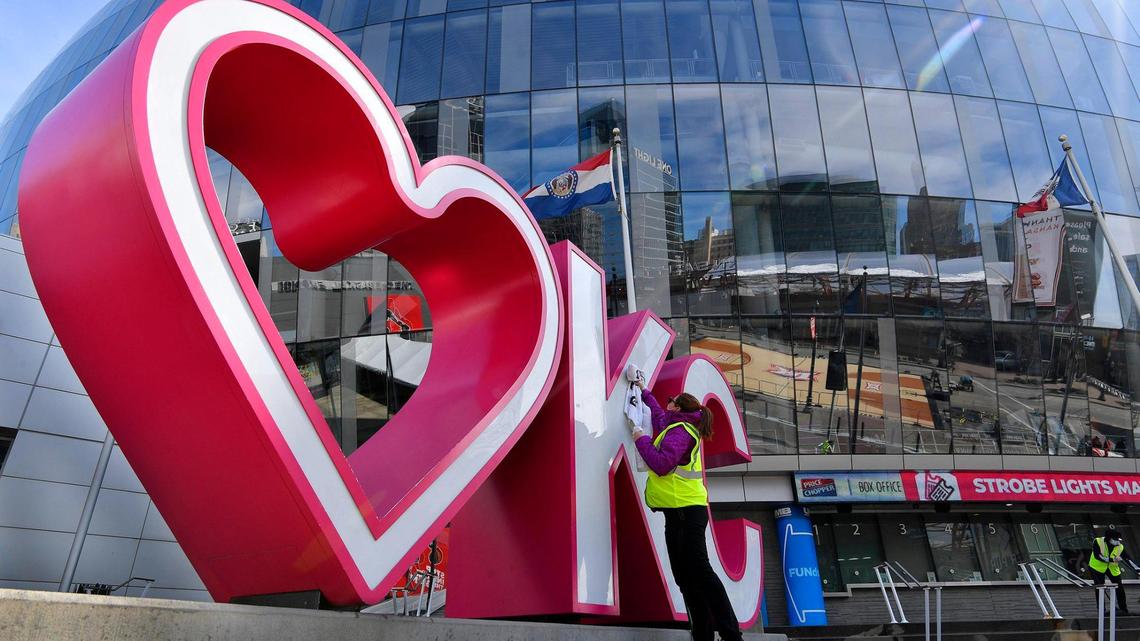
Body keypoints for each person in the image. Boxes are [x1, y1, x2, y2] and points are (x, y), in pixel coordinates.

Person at [630, 381, 743, 641]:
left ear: (677, 406)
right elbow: (657, 413)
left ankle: (730, 634)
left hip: (687, 513)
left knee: (700, 573)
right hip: (678, 514)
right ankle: (703, 635)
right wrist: (643, 390)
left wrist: (640, 439)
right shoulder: (674, 425)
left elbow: (661, 464)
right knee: (685, 578)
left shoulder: (681, 431)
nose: (665, 402)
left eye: (670, 399)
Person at [1089, 528, 1134, 615]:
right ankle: (1101, 611)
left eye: (1119, 540)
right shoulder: (1098, 541)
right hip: (1097, 567)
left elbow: (1128, 559)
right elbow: (1098, 556)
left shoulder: (1120, 546)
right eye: (1116, 540)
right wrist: (1112, 559)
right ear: (1109, 539)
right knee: (1100, 588)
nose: (1118, 542)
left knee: (1120, 588)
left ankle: (1124, 609)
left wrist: (1137, 569)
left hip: (1112, 569)